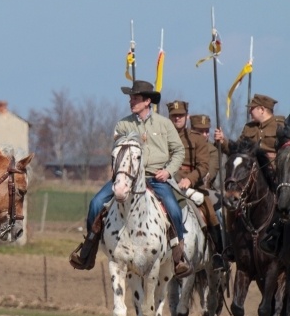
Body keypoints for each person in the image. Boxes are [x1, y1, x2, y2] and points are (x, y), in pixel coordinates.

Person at [69, 80, 191, 278]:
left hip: (156, 177)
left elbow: (178, 151)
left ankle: (179, 257)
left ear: (147, 101)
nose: (131, 101)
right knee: (96, 203)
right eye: (131, 98)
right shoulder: (123, 124)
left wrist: (168, 171)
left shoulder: (164, 124)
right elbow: (117, 151)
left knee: (174, 209)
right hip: (127, 177)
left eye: (135, 98)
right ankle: (88, 248)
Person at [213, 94, 285, 255]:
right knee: (231, 204)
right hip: (253, 179)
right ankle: (232, 245)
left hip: (275, 175)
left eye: (252, 109)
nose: (250, 112)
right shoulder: (248, 128)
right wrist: (222, 141)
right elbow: (237, 150)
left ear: (262, 109)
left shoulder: (280, 125)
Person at [166, 101, 225, 270]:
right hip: (167, 182)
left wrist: (189, 179)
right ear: (169, 117)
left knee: (209, 208)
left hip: (190, 186)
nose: (177, 118)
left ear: (187, 117)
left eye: (181, 115)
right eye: (174, 116)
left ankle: (217, 253)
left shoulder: (196, 139)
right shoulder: (162, 136)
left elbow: (204, 166)